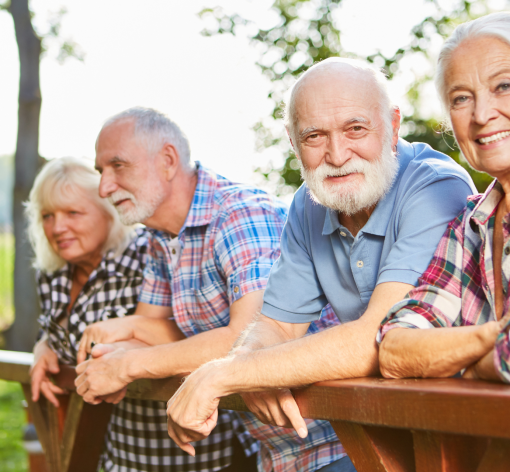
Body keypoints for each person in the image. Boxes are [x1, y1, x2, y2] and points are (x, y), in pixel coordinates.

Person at [163, 57, 476, 469]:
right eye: (314, 136)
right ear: (294, 144)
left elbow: (379, 337)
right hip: (383, 433)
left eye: (356, 129)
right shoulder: (308, 205)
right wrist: (254, 368)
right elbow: (274, 326)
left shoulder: (436, 187)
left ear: (393, 125)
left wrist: (224, 374)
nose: (337, 153)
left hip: (466, 436)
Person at [73, 107, 350, 472]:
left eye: (117, 166)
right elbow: (158, 332)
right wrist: (114, 351)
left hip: (341, 443)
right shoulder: (161, 237)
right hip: (278, 454)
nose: (105, 187)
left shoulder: (239, 214)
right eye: (101, 172)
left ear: (169, 160)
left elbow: (252, 340)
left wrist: (127, 366)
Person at [377, 12, 510, 384]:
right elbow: (395, 350)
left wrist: (464, 362)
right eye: (462, 98)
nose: (482, 115)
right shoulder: (472, 223)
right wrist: (494, 336)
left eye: (504, 86)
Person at [27, 157, 156, 471]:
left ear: (107, 211)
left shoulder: (146, 254)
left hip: (165, 444)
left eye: (73, 212)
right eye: (47, 215)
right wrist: (45, 344)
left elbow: (177, 329)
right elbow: (64, 330)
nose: (57, 228)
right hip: (102, 450)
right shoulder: (53, 273)